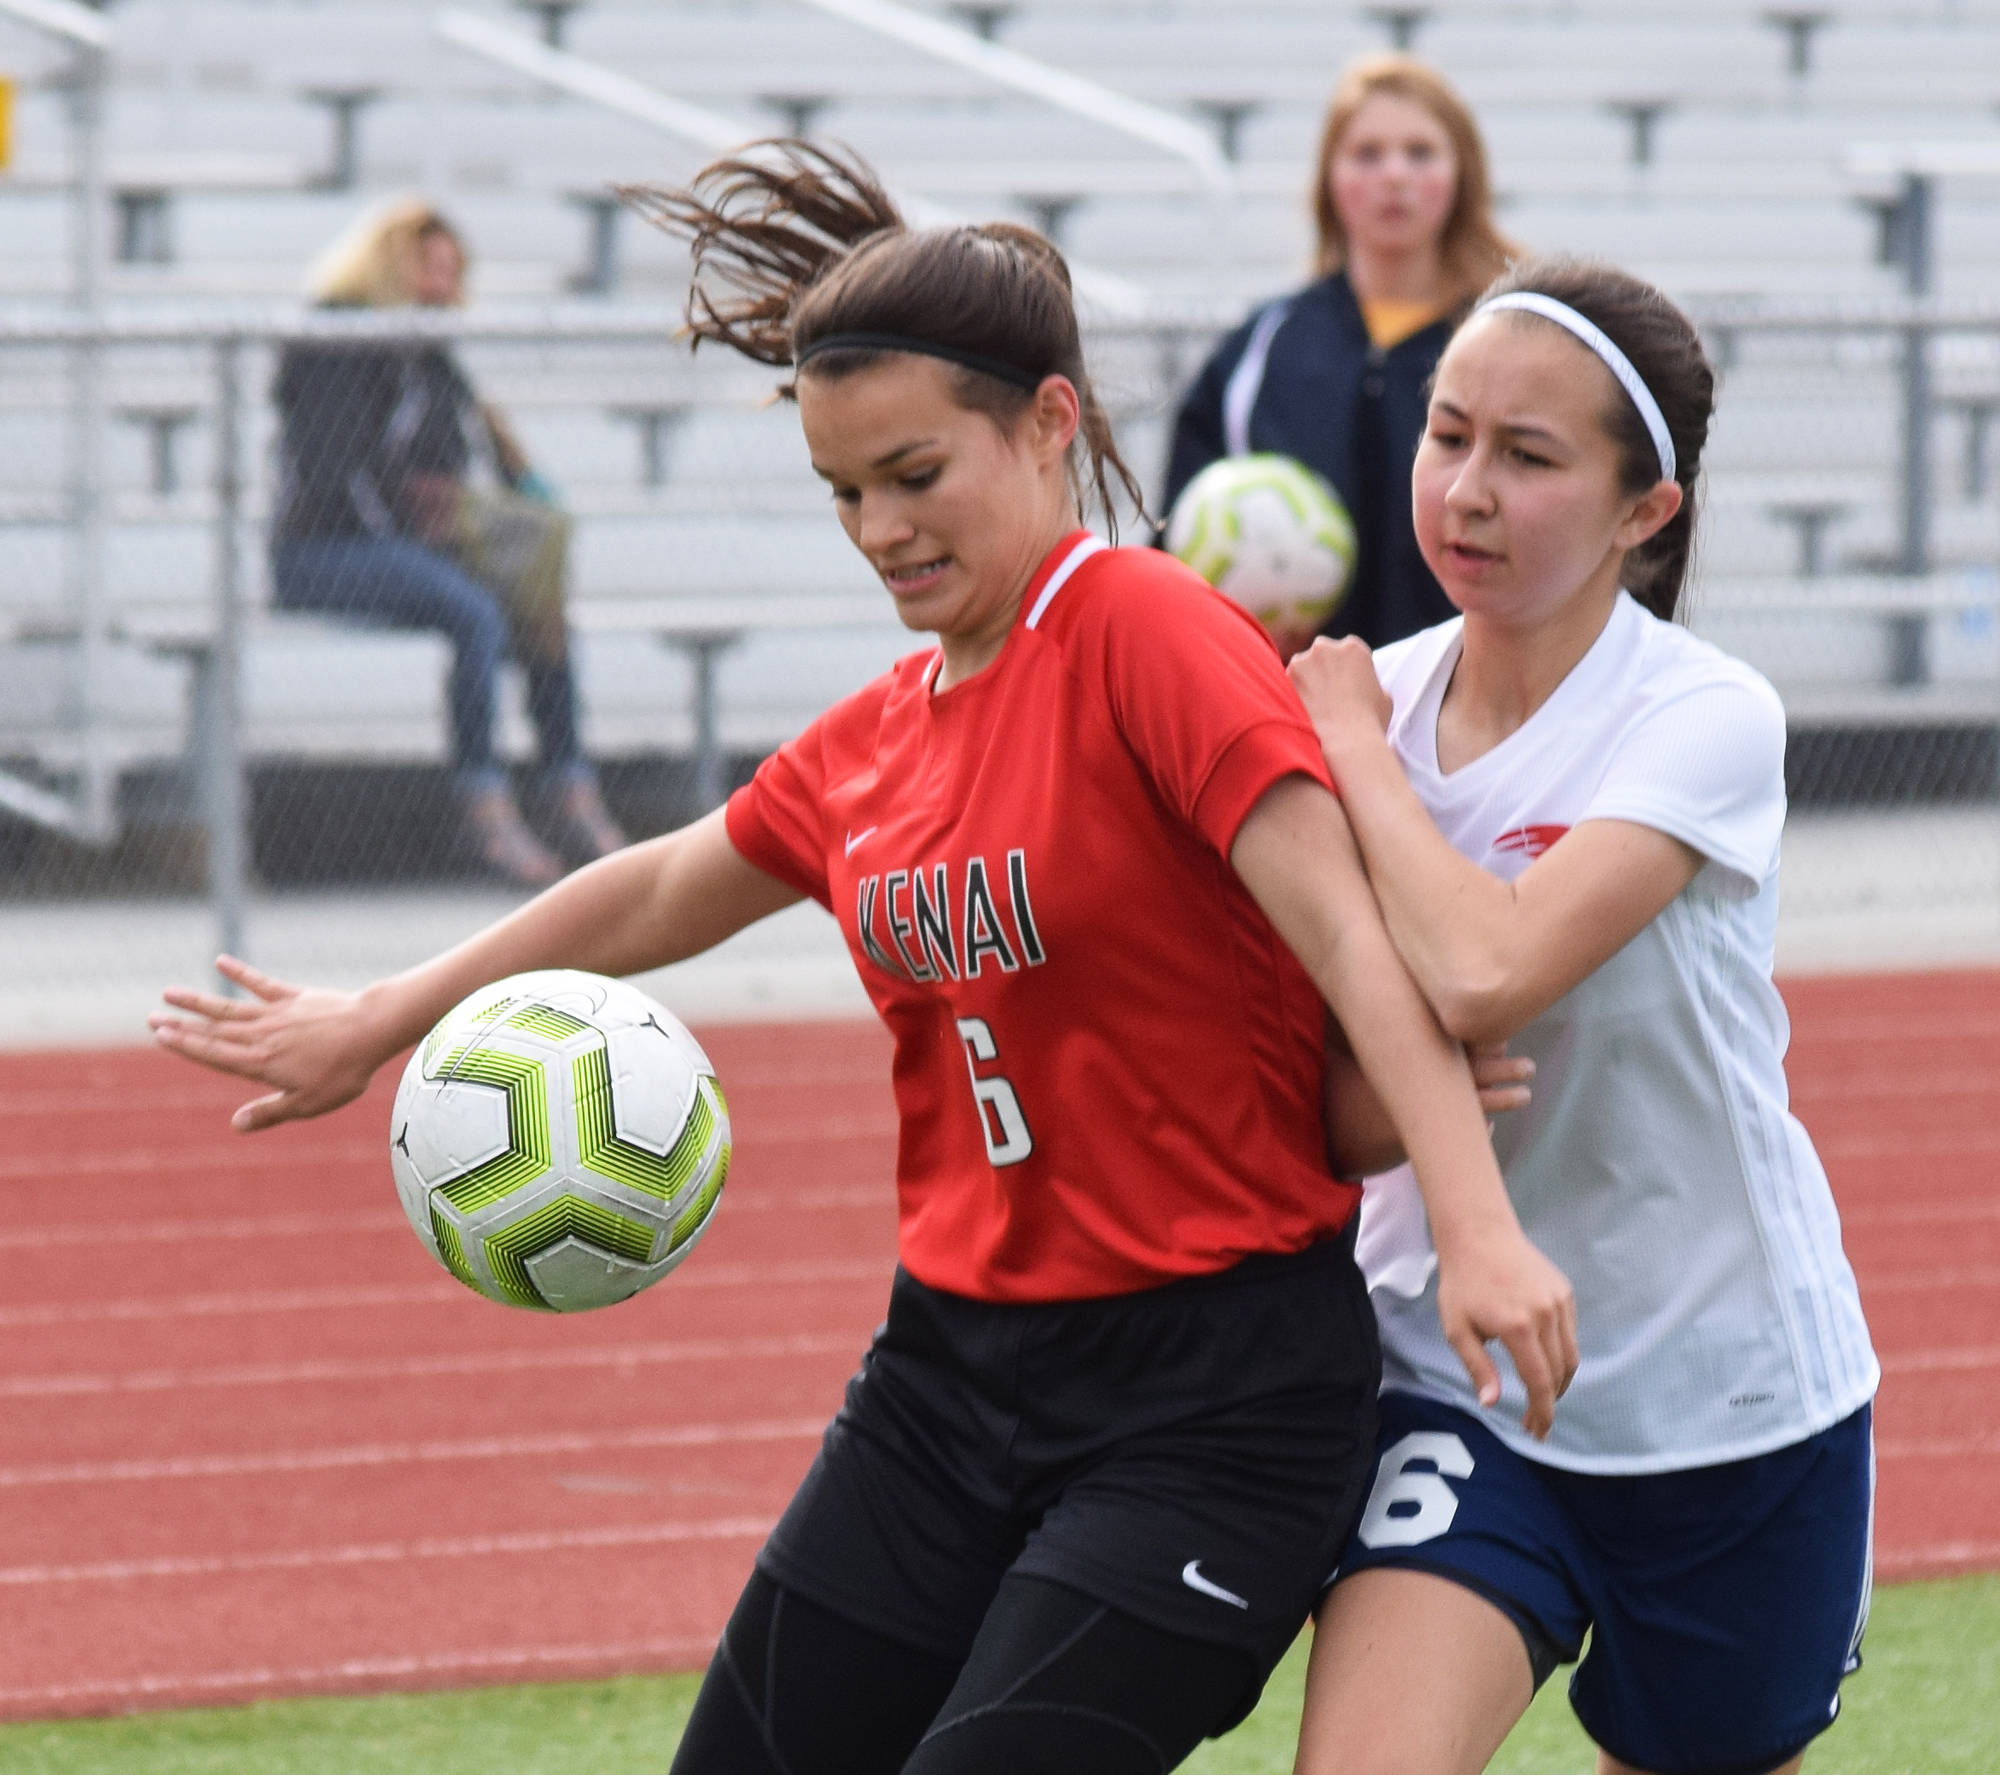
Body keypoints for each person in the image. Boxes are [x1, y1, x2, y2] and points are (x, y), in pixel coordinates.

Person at [153, 141, 1576, 1775]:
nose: (878, 529)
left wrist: (1474, 1232)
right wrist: (384, 1022)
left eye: (914, 475)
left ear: (1048, 422)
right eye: (843, 493)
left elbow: (1345, 929)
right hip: (943, 1385)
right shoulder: (880, 738)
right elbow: (655, 891)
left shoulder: (1148, 635)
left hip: (1211, 1405)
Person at [1287, 259, 1879, 1775]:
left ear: (1645, 513)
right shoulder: (1370, 704)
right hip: (1454, 1378)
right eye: (1448, 433)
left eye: (1530, 455)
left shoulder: (1703, 715)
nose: (1466, 489)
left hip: (1733, 1400)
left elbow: (1489, 969)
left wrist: (1354, 755)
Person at [271, 197, 627, 887]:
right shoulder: (333, 344)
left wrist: (515, 496)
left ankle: (569, 785)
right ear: (387, 267)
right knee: (474, 612)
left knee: (541, 606)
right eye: (426, 269)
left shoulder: (428, 358)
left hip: (402, 549)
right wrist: (416, 532)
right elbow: (333, 475)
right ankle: (483, 802)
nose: (440, 287)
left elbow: (455, 456)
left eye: (450, 273)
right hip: (320, 552)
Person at [1163, 55, 1517, 656]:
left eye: (1421, 152)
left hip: (1469, 698)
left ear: (1464, 174)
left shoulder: (1510, 339)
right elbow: (1180, 529)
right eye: (1368, 154)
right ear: (1330, 177)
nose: (1395, 175)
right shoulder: (1263, 347)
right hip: (1291, 697)